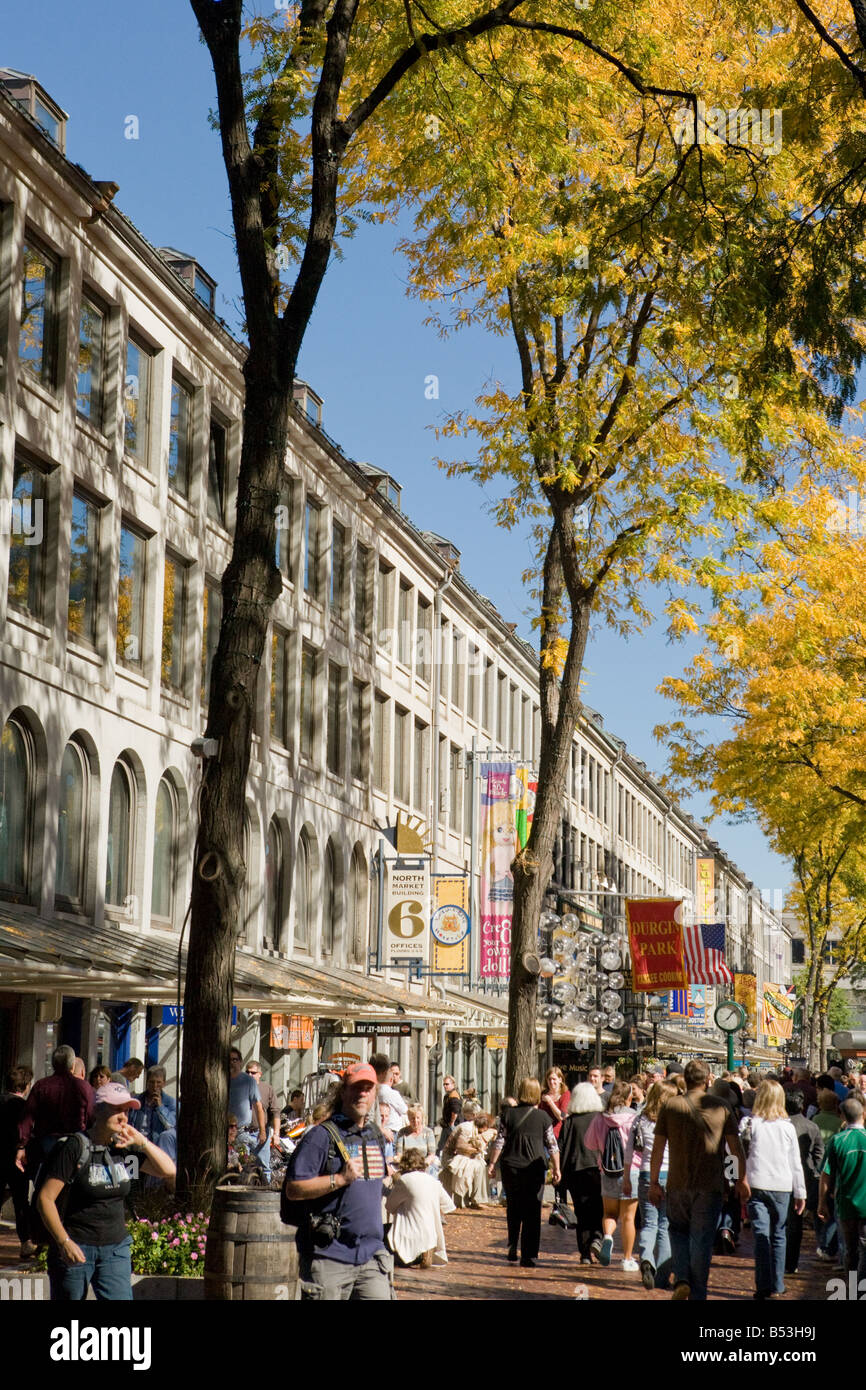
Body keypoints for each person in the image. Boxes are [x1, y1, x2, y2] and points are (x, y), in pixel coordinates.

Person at [36, 1082, 176, 1301]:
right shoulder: (76, 1147)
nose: (123, 1117)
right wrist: (64, 1242)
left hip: (115, 1249)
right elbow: (45, 1199)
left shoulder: (123, 1149)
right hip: (76, 1247)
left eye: (127, 1111)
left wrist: (143, 1143)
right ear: (98, 1111)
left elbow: (168, 1170)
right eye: (117, 1109)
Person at [282, 1062, 393, 1299]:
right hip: (329, 1257)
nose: (362, 1093)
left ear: (375, 1094)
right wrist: (339, 1179)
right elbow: (293, 1189)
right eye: (356, 1087)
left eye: (368, 1088)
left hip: (372, 1256)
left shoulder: (375, 1136)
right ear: (343, 1092)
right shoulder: (321, 1137)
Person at [650, 1058, 748, 1301]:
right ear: (708, 1080)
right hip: (709, 1185)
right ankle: (697, 1294)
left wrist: (653, 1182)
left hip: (676, 1183)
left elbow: (658, 1149)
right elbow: (735, 1149)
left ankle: (682, 1277)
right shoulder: (722, 1107)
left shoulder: (670, 1106)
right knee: (702, 1241)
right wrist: (740, 1179)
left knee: (678, 1231)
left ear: (685, 1077)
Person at [739, 1080, 806, 1300]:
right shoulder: (787, 1128)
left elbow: (737, 1156)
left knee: (760, 1235)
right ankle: (777, 1284)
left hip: (756, 1184)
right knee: (779, 1235)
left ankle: (763, 1285)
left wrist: (736, 1181)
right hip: (782, 1186)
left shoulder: (748, 1124)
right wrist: (800, 1192)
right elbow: (795, 1162)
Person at [488, 1077, 560, 1268]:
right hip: (534, 1168)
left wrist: (492, 1163)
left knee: (513, 1207)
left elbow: (500, 1141)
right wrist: (557, 1168)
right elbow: (552, 1145)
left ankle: (512, 1244)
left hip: (511, 1165)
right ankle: (528, 1254)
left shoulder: (508, 1115)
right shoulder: (544, 1118)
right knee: (532, 1210)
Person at [624, 1080, 676, 1290]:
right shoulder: (675, 1121)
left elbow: (629, 1151)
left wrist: (627, 1176)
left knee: (649, 1223)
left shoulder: (640, 1120)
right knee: (665, 1225)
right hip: (670, 1175)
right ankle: (663, 1275)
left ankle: (646, 1257)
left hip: (646, 1174)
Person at [585, 1079, 640, 1271]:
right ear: (628, 1097)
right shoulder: (635, 1117)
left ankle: (607, 1237)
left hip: (607, 1171)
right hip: (631, 1170)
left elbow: (589, 1143)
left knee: (609, 1213)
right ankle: (627, 1258)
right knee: (628, 1218)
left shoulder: (601, 1118)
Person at [16, 1044, 94, 1173]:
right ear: (72, 1066)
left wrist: (22, 1145)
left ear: (53, 1065)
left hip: (47, 1141)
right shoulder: (84, 1087)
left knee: (47, 1176)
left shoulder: (42, 1086)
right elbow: (91, 1116)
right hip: (76, 1141)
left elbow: (28, 1118)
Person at [819, 1097, 866, 1281]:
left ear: (843, 1117)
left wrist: (822, 1202)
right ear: (862, 1114)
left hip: (846, 1203)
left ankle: (853, 1288)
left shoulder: (837, 1141)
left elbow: (826, 1175)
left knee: (850, 1249)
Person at [558, 1082, 604, 1264]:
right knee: (599, 1208)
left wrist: (559, 1172)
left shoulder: (570, 1121)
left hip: (576, 1170)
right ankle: (597, 1237)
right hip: (597, 1169)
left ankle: (584, 1252)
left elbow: (562, 1147)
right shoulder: (600, 1119)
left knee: (581, 1212)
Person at [386, 1148, 455, 1267]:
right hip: (430, 1234)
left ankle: (415, 1255)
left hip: (408, 1237)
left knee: (384, 1243)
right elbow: (448, 1205)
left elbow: (390, 1207)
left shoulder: (404, 1180)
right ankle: (425, 1250)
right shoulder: (433, 1181)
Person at [784, 1090, 824, 1275]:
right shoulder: (811, 1126)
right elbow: (819, 1153)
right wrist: (814, 1172)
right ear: (802, 1106)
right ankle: (791, 1262)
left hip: (781, 1176)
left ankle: (780, 1258)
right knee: (795, 1222)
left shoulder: (781, 1126)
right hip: (803, 1177)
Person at [0, 1064, 35, 1258]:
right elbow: (26, 1133)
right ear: (26, 1086)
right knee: (21, 1202)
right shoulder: (23, 1107)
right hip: (16, 1160)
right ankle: (26, 1242)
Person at [228, 1047, 269, 1176]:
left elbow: (258, 1106)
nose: (232, 1062)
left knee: (246, 1168)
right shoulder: (221, 1080)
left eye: (235, 1059)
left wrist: (262, 1130)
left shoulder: (248, 1081)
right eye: (229, 1060)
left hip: (242, 1132)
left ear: (240, 1062)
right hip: (225, 1132)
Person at [441, 1101, 487, 1208]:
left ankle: (477, 1198)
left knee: (480, 1163)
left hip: (462, 1156)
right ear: (474, 1115)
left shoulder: (473, 1126)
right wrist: (477, 1149)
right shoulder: (466, 1127)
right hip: (451, 1158)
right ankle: (475, 1199)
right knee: (476, 1164)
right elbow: (460, 1147)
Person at [245, 1060, 280, 1174]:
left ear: (260, 1074)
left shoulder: (267, 1089)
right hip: (242, 1133)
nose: (250, 1075)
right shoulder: (239, 1088)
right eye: (247, 1072)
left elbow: (275, 1112)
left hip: (260, 1134)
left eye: (253, 1073)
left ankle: (265, 1189)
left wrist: (276, 1134)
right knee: (242, 1167)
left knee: (264, 1168)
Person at [132, 1065, 177, 1143]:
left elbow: (171, 1126)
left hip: (156, 1147)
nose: (155, 1086)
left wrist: (160, 1107)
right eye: (152, 1082)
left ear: (164, 1083)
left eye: (158, 1082)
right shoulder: (137, 1100)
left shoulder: (170, 1102)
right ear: (147, 1082)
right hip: (136, 1145)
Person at [370, 1053, 408, 1138]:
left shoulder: (375, 1088)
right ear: (384, 1072)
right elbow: (404, 1110)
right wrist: (382, 1130)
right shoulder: (371, 1088)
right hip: (388, 1131)